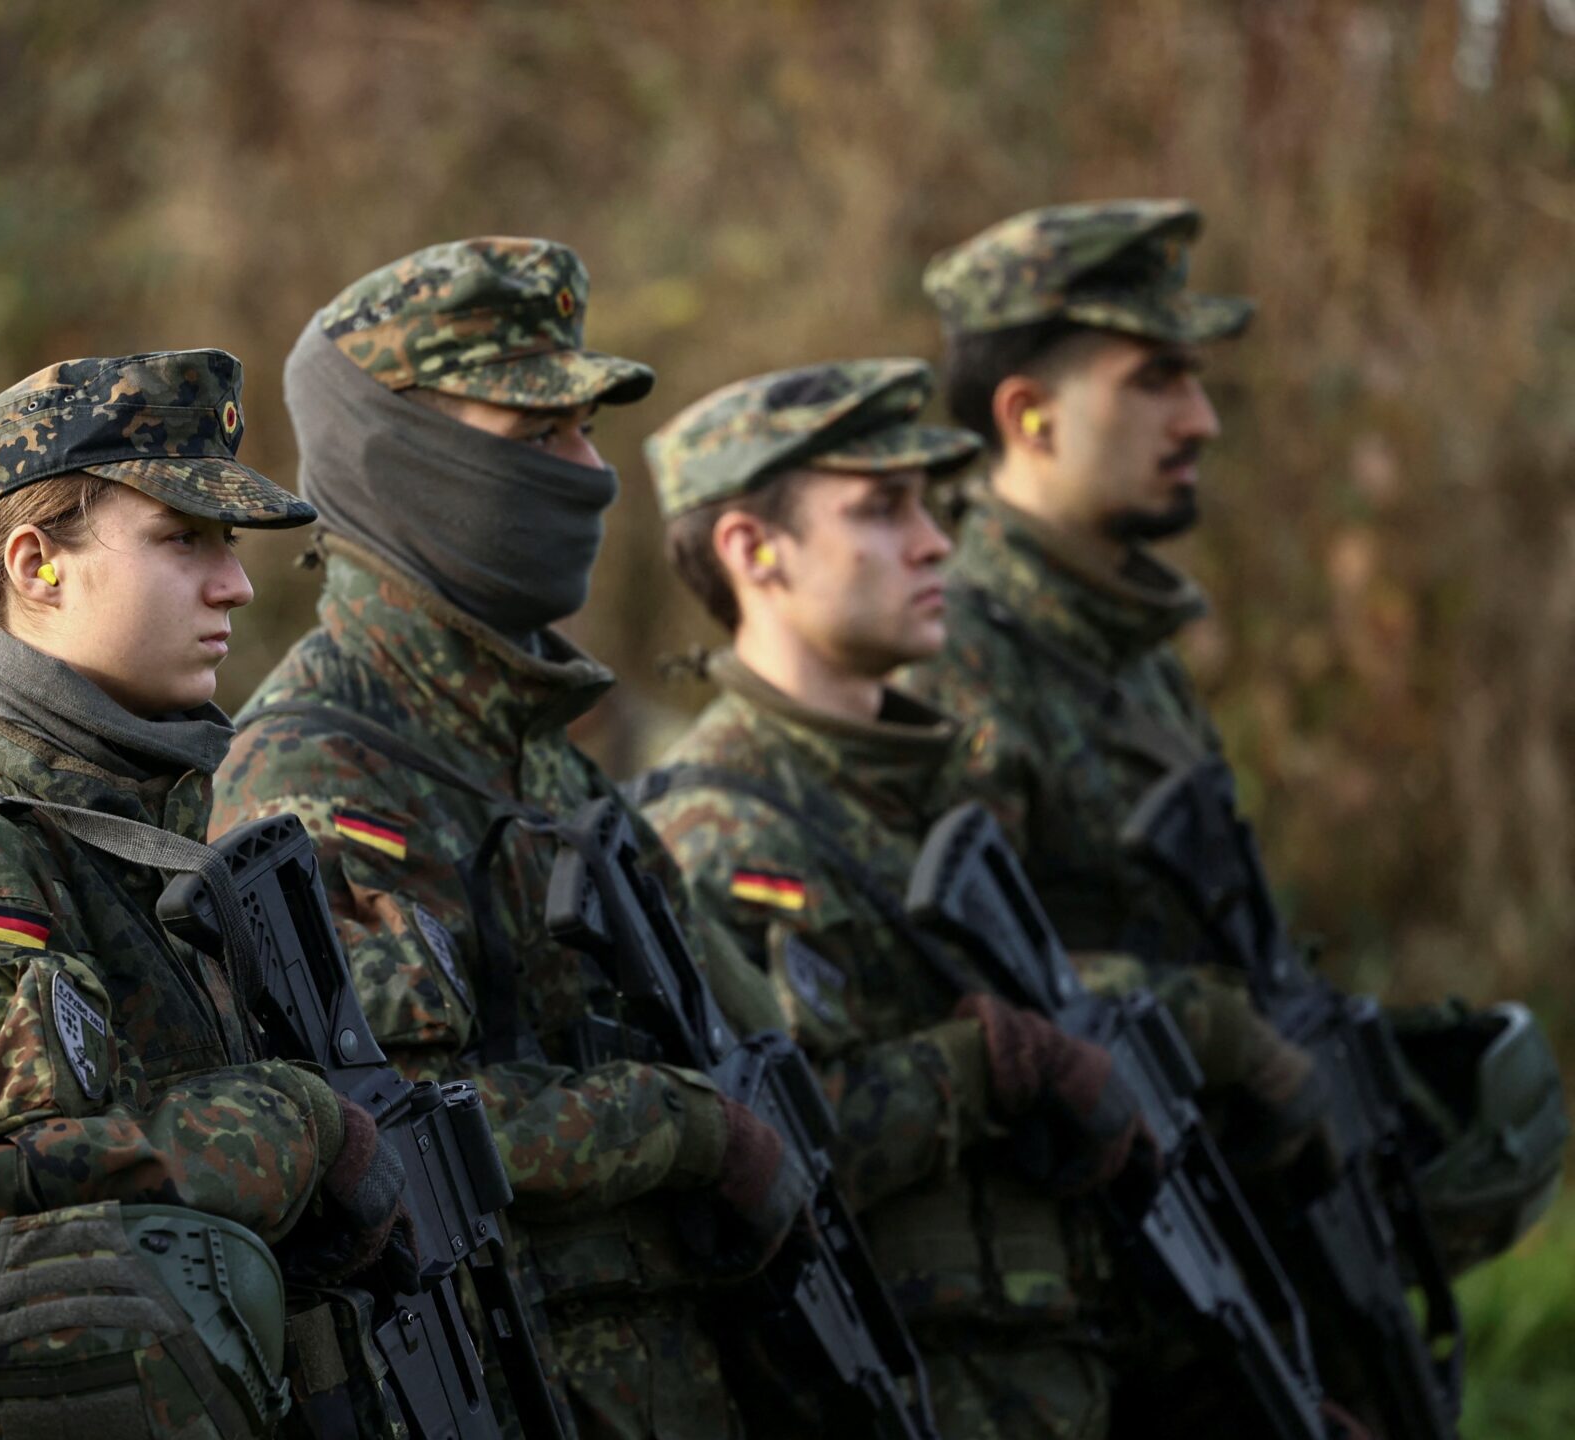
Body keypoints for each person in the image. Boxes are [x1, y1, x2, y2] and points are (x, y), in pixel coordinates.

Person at [210, 237, 803, 1439]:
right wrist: (686, 1131)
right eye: (539, 439)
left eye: (587, 433)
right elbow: (405, 1126)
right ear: (402, 456)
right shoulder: (316, 771)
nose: (590, 476)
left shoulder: (541, 752)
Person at [907, 199, 1562, 1275]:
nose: (1201, 419)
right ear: (1029, 416)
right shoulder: (959, 653)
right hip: (1086, 1271)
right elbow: (951, 984)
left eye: (1195, 379)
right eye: (1154, 380)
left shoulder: (1123, 636)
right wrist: (1219, 1029)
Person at [0, 348, 408, 1438]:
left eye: (225, 545)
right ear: (37, 566)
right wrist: (302, 1127)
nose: (235, 583)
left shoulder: (135, 839)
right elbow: (2, 1184)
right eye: (184, 540)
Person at [633, 357, 1189, 1439]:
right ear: (754, 552)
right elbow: (753, 1150)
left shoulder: (932, 798)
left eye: (930, 507)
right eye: (882, 512)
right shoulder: (714, 835)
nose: (936, 541)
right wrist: (978, 1069)